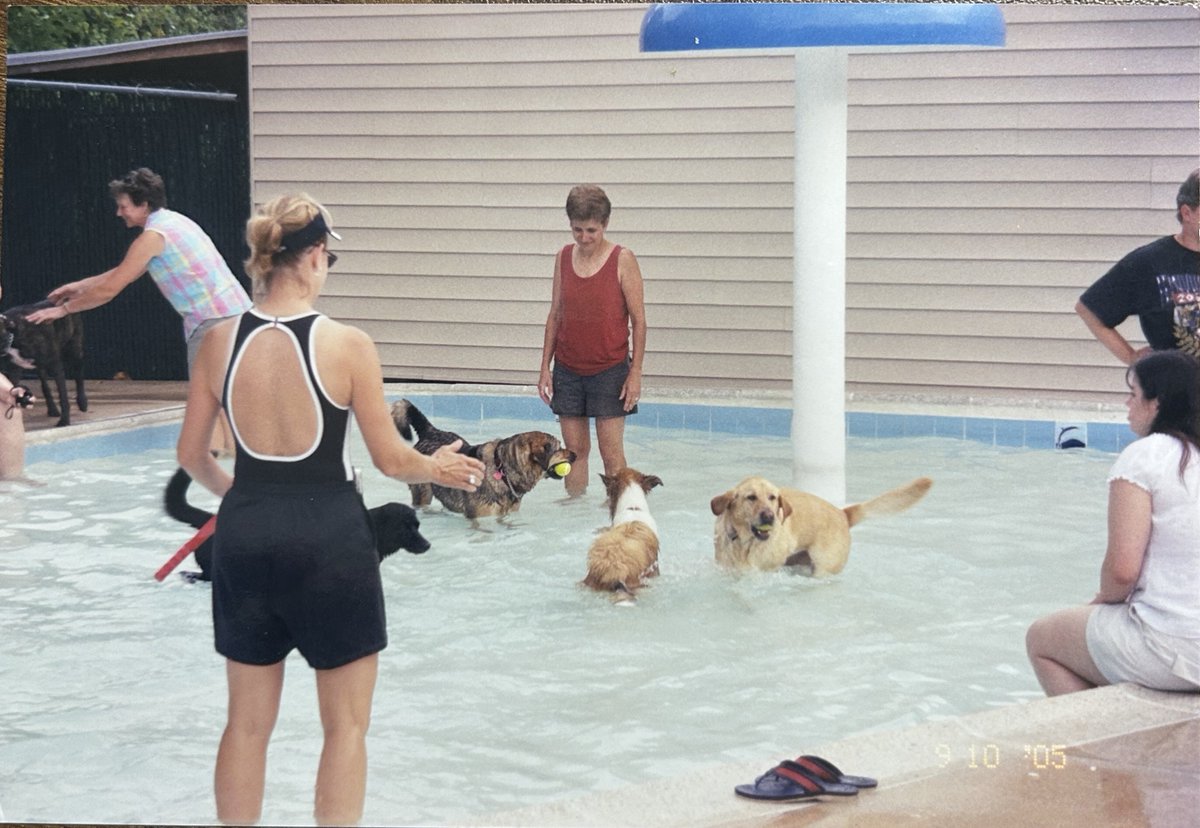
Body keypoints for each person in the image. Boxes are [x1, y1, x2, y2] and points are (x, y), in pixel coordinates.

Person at [176, 194, 484, 825]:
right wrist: (438, 468)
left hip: (247, 534)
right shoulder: (347, 345)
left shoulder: (216, 343)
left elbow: (191, 456)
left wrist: (246, 501)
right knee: (345, 728)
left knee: (245, 727)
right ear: (314, 255)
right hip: (329, 539)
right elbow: (390, 460)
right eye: (329, 257)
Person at [1026, 350, 1200, 697]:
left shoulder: (1146, 455)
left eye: (1133, 393)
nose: (1127, 403)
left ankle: (1101, 732)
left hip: (1180, 648)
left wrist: (1103, 599)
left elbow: (1122, 572)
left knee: (1042, 639)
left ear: (1157, 403)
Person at [537, 184, 647, 497]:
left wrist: (635, 373)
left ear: (605, 224)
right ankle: (576, 511)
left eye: (591, 231)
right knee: (574, 453)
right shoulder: (562, 258)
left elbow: (639, 321)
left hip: (610, 370)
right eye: (577, 230)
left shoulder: (622, 259)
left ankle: (620, 511)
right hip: (568, 370)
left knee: (611, 455)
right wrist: (545, 368)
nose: (584, 238)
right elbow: (555, 315)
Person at [1075, 168, 1200, 365]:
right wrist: (1130, 357)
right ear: (1187, 213)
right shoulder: (1149, 262)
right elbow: (1089, 309)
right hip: (1171, 382)